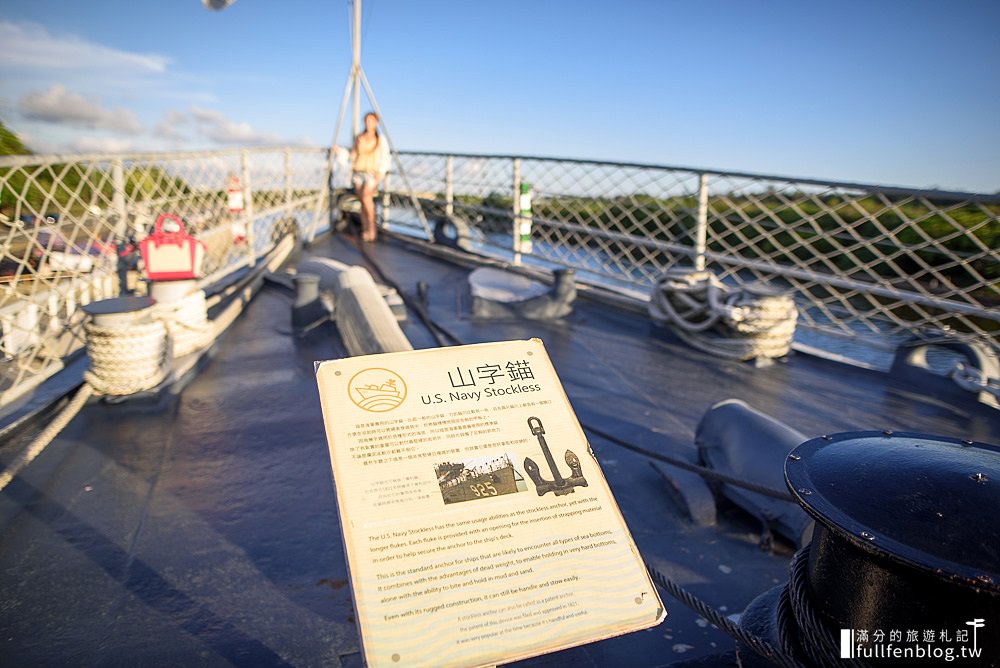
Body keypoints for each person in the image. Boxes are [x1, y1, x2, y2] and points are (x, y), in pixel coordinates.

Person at [349, 112, 391, 242]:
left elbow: (385, 156)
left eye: (371, 121)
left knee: (367, 198)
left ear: (376, 123)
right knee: (363, 202)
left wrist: (381, 172)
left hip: (372, 173)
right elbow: (353, 155)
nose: (369, 123)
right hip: (358, 172)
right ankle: (365, 228)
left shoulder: (380, 139)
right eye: (367, 120)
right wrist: (340, 152)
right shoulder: (359, 138)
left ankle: (372, 228)